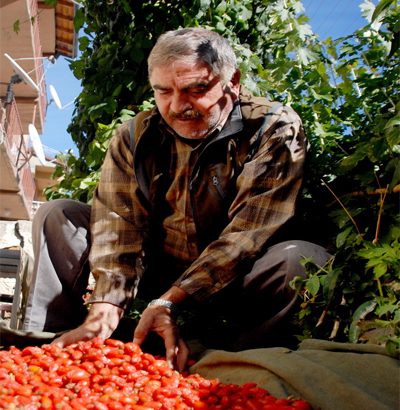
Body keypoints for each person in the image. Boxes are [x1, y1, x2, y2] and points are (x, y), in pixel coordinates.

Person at [22, 28, 330, 372]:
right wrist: (105, 306)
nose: (178, 106)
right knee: (59, 213)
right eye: (163, 92)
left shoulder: (272, 127)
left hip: (238, 278)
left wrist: (169, 301)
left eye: (196, 89)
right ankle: (56, 348)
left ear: (234, 82)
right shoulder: (134, 136)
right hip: (158, 268)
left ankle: (241, 366)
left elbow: (249, 234)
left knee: (301, 258)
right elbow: (117, 225)